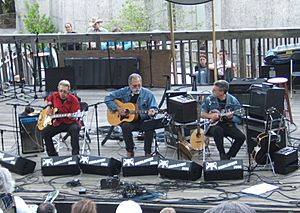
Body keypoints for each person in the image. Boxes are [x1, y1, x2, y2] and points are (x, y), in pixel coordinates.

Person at [105, 73, 158, 157]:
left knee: (149, 126)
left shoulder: (148, 94)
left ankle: (148, 152)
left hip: (143, 119)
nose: (137, 88)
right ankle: (130, 151)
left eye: (139, 85)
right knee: (125, 127)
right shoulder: (124, 91)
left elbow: (154, 107)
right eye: (134, 86)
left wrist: (152, 111)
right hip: (129, 121)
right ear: (129, 85)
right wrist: (117, 109)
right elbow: (107, 98)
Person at [201, 80, 245, 160]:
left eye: (215, 90)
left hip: (227, 124)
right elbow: (202, 113)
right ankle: (222, 153)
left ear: (222, 92)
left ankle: (228, 156)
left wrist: (231, 117)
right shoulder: (209, 99)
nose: (212, 91)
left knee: (241, 137)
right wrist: (211, 116)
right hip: (212, 125)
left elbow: (239, 119)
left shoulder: (233, 100)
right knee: (218, 130)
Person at [42, 80, 81, 156]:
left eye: (64, 92)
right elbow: (48, 99)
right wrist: (48, 106)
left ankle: (75, 155)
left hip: (70, 123)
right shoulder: (54, 96)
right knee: (45, 131)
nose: (62, 93)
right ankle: (52, 155)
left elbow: (76, 115)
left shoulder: (74, 100)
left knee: (75, 129)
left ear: (68, 90)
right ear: (58, 89)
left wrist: (72, 117)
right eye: (60, 91)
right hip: (58, 122)